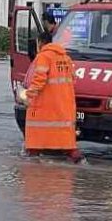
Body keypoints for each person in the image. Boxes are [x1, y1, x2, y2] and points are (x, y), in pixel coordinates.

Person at [22, 10, 82, 162]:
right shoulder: (65, 57)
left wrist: (29, 95)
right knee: (65, 135)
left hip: (47, 102)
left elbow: (39, 79)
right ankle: (75, 157)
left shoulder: (43, 56)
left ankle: (33, 153)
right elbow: (73, 79)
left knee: (38, 131)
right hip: (65, 102)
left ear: (41, 43)